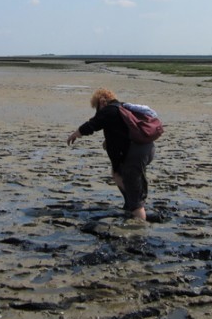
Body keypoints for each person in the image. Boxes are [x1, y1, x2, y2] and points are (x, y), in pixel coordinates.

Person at [66, 88, 155, 220]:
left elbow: (93, 124)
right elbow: (122, 129)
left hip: (136, 153)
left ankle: (139, 228)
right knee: (117, 173)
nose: (97, 111)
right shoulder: (121, 108)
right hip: (146, 148)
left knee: (134, 193)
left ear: (102, 101)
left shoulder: (110, 110)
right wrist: (109, 141)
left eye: (96, 108)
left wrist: (76, 133)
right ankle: (129, 204)